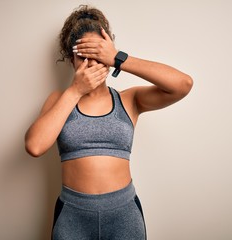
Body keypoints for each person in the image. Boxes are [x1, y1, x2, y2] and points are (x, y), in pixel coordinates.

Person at [25, 5, 193, 240]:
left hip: (124, 214)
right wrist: (75, 91)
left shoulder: (129, 99)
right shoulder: (59, 100)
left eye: (97, 54)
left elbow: (183, 84)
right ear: (71, 59)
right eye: (83, 55)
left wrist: (119, 58)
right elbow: (34, 146)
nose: (91, 63)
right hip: (73, 215)